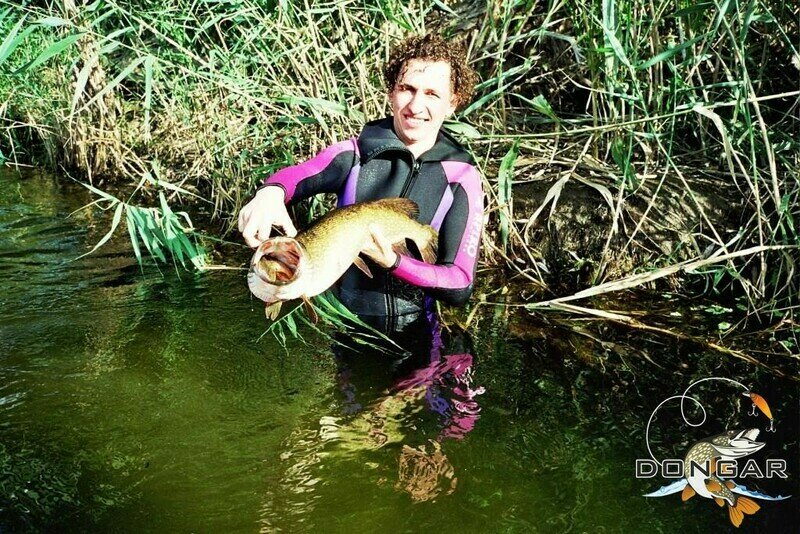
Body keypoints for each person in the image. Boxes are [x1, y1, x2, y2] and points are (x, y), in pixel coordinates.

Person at [238, 33, 483, 331]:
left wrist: (394, 262)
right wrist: (270, 193)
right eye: (407, 89)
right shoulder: (353, 155)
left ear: (452, 103)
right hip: (344, 328)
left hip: (419, 334)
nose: (416, 105)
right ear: (391, 92)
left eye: (432, 94)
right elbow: (298, 176)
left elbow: (460, 285)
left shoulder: (462, 177)